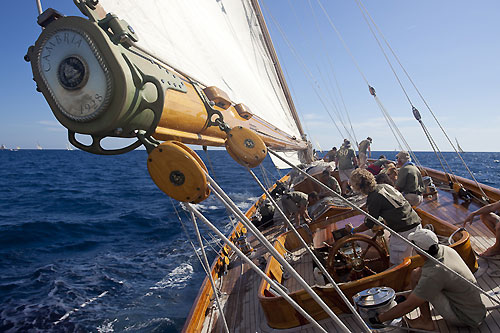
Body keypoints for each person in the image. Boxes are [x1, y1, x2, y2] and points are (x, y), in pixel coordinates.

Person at [371, 228, 486, 330]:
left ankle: (426, 322)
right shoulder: (445, 250)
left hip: (464, 318)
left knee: (423, 285)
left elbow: (409, 306)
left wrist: (378, 319)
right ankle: (423, 315)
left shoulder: (435, 272)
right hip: (475, 310)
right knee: (416, 273)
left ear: (419, 250)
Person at [345, 169, 421, 265]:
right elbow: (393, 207)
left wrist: (353, 230)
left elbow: (369, 223)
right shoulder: (385, 186)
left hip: (404, 232)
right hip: (416, 223)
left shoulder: (373, 197)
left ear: (358, 187)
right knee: (414, 260)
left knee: (396, 266)